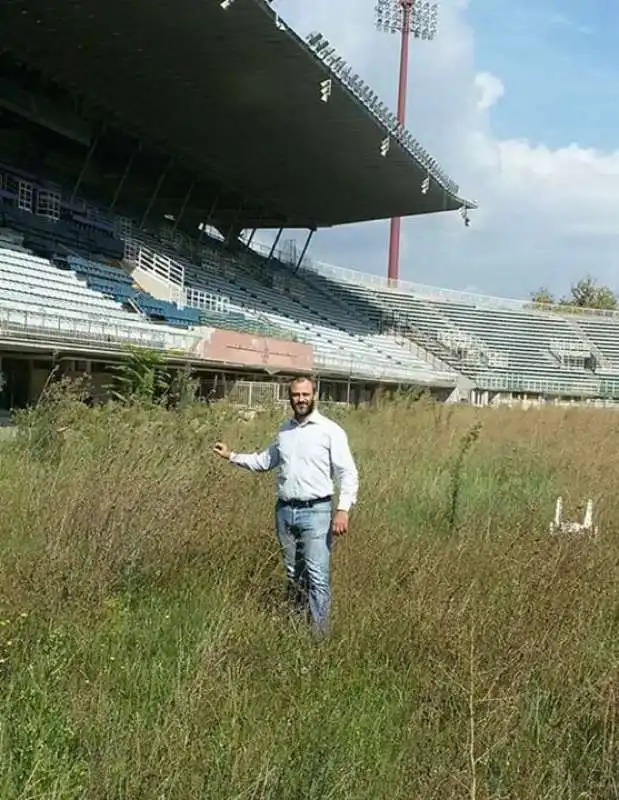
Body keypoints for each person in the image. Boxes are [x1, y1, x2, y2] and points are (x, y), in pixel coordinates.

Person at [213, 376, 358, 635]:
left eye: (305, 394)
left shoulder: (330, 431)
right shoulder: (285, 431)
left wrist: (343, 509)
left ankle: (319, 638)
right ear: (289, 397)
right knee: (294, 575)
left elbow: (347, 473)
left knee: (318, 577)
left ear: (315, 395)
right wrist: (231, 456)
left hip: (317, 512)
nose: (300, 399)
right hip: (284, 511)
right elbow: (264, 461)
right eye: (295, 395)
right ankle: (295, 628)